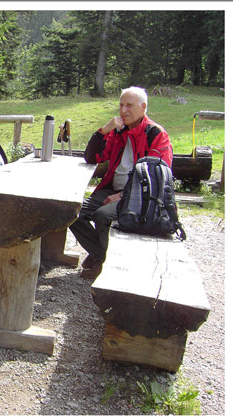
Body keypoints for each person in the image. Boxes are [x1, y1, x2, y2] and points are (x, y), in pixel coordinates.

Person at [69, 86, 173, 279]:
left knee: (103, 215)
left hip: (141, 198)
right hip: (111, 189)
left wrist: (122, 196)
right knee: (71, 211)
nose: (124, 110)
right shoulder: (119, 132)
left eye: (129, 106)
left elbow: (156, 180)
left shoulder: (156, 135)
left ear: (143, 107)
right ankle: (102, 257)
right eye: (121, 105)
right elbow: (92, 157)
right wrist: (103, 130)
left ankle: (108, 268)